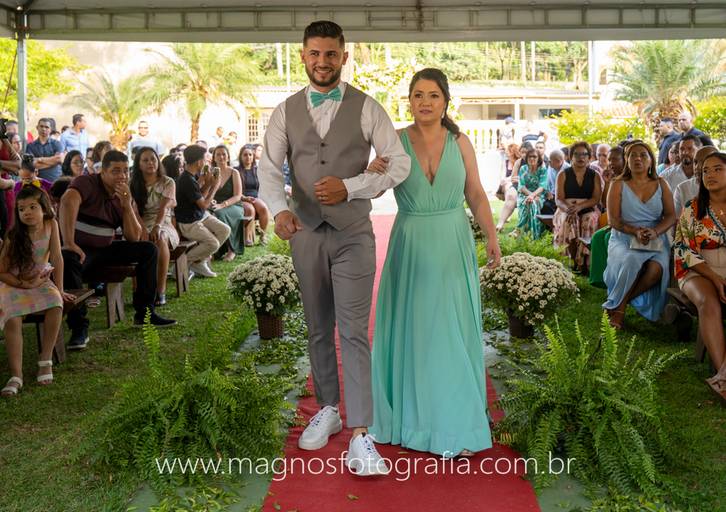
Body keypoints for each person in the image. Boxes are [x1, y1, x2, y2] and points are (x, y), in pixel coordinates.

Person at [258, 20, 410, 476]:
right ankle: (328, 408)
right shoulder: (284, 111)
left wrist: (353, 185)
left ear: (344, 57)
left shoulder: (368, 108)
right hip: (305, 232)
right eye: (314, 53)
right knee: (317, 326)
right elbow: (269, 168)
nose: (322, 62)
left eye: (330, 54)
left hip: (353, 234)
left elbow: (398, 164)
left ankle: (361, 433)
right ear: (303, 56)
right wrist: (279, 210)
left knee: (353, 330)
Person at [367, 67, 500, 458]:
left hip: (452, 243)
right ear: (409, 101)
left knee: (451, 328)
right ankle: (414, 422)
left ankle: (456, 421)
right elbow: (374, 190)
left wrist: (492, 236)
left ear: (445, 102)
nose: (425, 102)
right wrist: (372, 172)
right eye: (418, 95)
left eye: (433, 95)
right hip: (410, 245)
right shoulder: (394, 141)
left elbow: (475, 193)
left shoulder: (461, 141)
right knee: (417, 329)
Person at [60, 150, 176, 350]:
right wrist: (69, 242)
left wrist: (127, 206)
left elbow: (133, 237)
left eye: (125, 171)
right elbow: (67, 201)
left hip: (105, 248)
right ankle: (79, 328)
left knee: (148, 250)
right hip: (80, 248)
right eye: (115, 171)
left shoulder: (124, 194)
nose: (122, 176)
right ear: (103, 172)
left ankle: (145, 314)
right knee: (69, 257)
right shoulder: (87, 182)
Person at [0, 185, 73, 396]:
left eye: (33, 207)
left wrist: (60, 289)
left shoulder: (51, 224)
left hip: (40, 280)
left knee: (56, 304)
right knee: (13, 317)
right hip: (14, 283)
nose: (27, 213)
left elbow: (57, 257)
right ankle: (16, 375)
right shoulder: (14, 235)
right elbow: (2, 271)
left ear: (44, 208)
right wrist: (24, 285)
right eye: (22, 209)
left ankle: (45, 360)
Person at [602, 141, 676, 329]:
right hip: (624, 236)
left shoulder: (662, 183)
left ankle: (618, 303)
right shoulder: (618, 184)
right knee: (631, 259)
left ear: (651, 160)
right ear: (626, 160)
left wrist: (655, 231)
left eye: (643, 155)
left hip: (654, 237)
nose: (638, 159)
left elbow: (671, 216)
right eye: (632, 155)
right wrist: (634, 231)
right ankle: (619, 311)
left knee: (656, 269)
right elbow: (613, 220)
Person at [674, 152, 726, 400]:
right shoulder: (693, 208)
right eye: (705, 171)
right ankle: (723, 380)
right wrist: (715, 278)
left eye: (717, 169)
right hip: (697, 269)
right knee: (709, 302)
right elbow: (683, 249)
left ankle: (723, 375)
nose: (710, 175)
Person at [129, 147, 179, 306]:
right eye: (145, 160)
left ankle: (160, 291)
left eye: (153, 159)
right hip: (140, 222)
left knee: (160, 238)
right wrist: (143, 229)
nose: (150, 162)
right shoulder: (132, 184)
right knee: (138, 240)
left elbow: (163, 208)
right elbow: (133, 211)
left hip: (164, 222)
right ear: (138, 164)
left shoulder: (167, 182)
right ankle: (138, 290)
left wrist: (157, 226)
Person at [175, 145, 230, 278]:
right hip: (188, 222)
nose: (207, 163)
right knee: (213, 244)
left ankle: (200, 262)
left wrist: (208, 183)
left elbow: (200, 197)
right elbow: (204, 205)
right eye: (205, 160)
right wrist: (215, 187)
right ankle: (181, 263)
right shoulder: (186, 180)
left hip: (199, 216)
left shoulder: (192, 176)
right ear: (199, 162)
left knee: (224, 230)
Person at [553, 141, 602, 268]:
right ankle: (571, 261)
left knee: (589, 219)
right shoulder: (563, 174)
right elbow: (558, 199)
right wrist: (569, 210)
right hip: (566, 208)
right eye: (577, 154)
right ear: (571, 156)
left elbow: (596, 198)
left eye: (584, 154)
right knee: (569, 220)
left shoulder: (595, 175)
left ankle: (585, 262)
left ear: (589, 157)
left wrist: (580, 207)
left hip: (588, 207)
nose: (581, 157)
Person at [209, 145, 246, 261]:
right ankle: (213, 250)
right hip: (215, 205)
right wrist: (211, 201)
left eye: (224, 154)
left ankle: (231, 250)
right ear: (214, 158)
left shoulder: (234, 172)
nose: (221, 157)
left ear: (228, 157)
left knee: (220, 213)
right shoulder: (210, 173)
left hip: (233, 205)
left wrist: (222, 205)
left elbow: (238, 196)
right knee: (206, 215)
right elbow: (206, 192)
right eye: (218, 154)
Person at [237, 145, 270, 245]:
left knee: (263, 208)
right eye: (245, 155)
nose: (248, 157)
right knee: (250, 209)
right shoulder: (236, 171)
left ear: (253, 156)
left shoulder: (257, 170)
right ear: (241, 157)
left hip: (255, 197)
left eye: (250, 155)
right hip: (241, 197)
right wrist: (245, 198)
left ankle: (263, 236)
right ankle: (247, 238)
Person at [674, 146, 719, 219]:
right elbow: (676, 220)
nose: (697, 167)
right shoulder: (682, 189)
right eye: (695, 162)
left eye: (704, 161)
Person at [515, 147, 548, 239]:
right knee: (529, 202)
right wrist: (530, 195)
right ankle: (527, 234)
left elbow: (542, 186)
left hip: (539, 195)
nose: (532, 158)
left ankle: (529, 233)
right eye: (530, 156)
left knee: (532, 203)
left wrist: (533, 196)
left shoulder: (542, 170)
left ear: (538, 158)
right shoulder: (523, 169)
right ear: (526, 158)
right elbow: (521, 186)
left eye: (534, 156)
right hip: (524, 194)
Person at [26, 118, 64, 182]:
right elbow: (30, 164)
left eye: (47, 127)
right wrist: (53, 161)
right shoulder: (31, 146)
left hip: (55, 181)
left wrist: (39, 159)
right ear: (37, 127)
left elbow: (59, 159)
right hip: (38, 182)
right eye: (41, 126)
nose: (44, 129)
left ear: (50, 129)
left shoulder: (57, 144)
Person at [494, 142, 521, 231]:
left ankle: (508, 209)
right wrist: (503, 180)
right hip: (506, 184)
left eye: (508, 151)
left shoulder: (519, 162)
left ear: (513, 152)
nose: (506, 153)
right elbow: (502, 173)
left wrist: (507, 180)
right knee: (507, 186)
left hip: (512, 183)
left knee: (508, 188)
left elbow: (515, 177)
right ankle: (508, 210)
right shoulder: (506, 161)